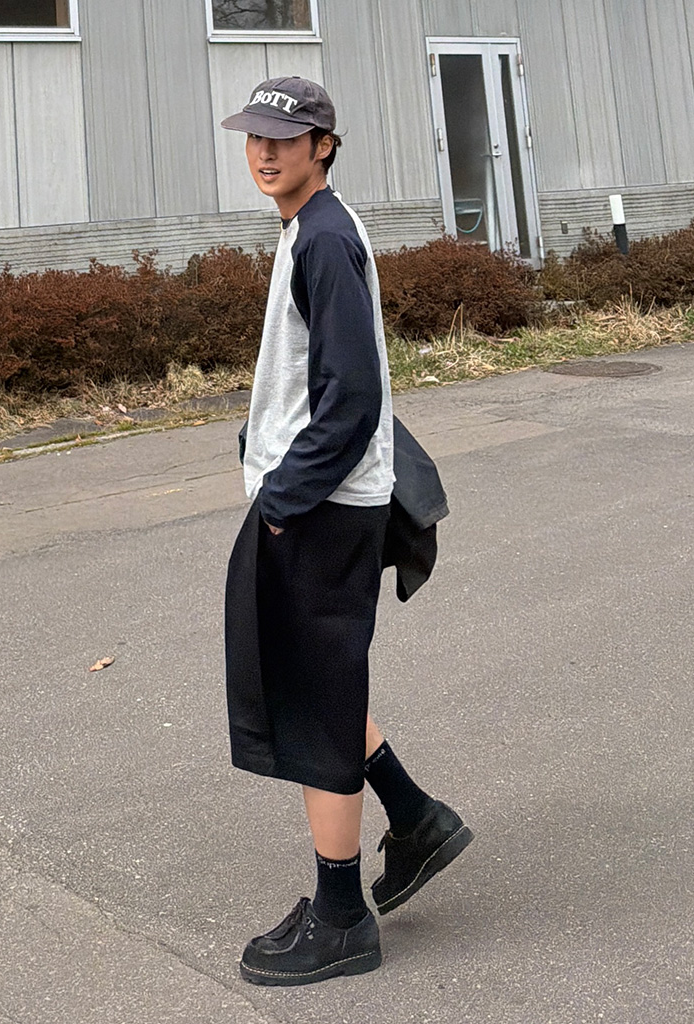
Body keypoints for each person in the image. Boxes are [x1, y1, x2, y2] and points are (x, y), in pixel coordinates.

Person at [222, 77, 472, 987]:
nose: (265, 152)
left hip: (320, 510)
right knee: (321, 683)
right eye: (255, 137)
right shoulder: (312, 229)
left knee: (313, 707)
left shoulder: (324, 236)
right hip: (322, 500)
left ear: (323, 145)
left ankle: (340, 919)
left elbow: (354, 397)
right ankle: (417, 819)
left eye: (284, 139)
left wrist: (282, 499)